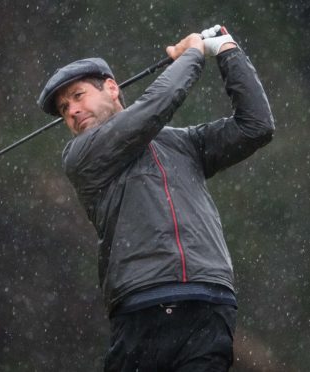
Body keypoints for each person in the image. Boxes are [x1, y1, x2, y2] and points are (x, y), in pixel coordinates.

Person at [37, 26, 274, 371]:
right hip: (141, 310)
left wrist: (226, 50)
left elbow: (256, 126)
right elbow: (153, 109)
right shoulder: (81, 156)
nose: (71, 110)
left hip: (208, 306)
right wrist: (193, 53)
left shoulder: (184, 143)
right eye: (63, 108)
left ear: (112, 88)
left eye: (78, 95)